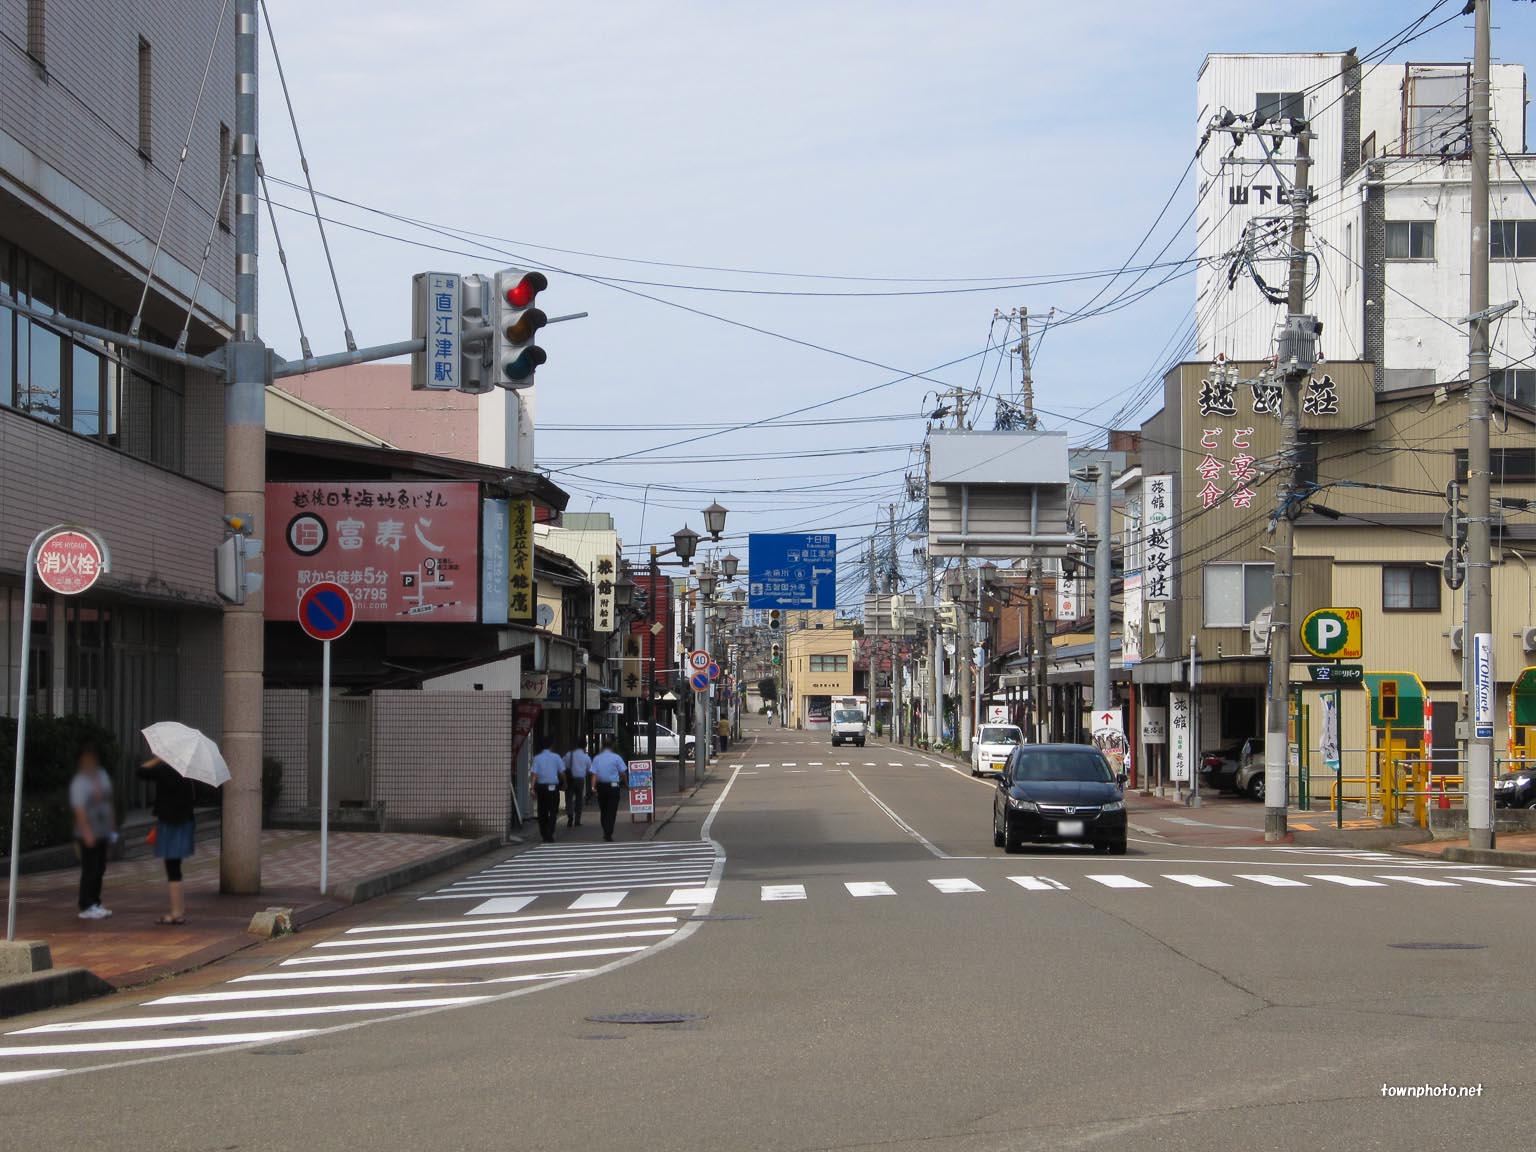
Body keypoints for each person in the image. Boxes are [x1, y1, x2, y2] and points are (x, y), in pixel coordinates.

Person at [137, 756, 197, 925]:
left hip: (170, 824)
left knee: (172, 868)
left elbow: (141, 772)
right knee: (175, 867)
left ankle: (177, 912)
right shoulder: (187, 775)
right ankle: (178, 910)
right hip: (184, 823)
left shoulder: (164, 770)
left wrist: (156, 759)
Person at [69, 741, 116, 921]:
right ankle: (86, 904)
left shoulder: (101, 775)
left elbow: (108, 799)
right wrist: (86, 832)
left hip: (102, 829)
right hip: (87, 831)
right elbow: (79, 809)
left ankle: (95, 902)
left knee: (100, 868)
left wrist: (111, 826)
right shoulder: (80, 781)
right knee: (90, 868)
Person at [590, 739, 628, 842]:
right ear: (612, 747)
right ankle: (608, 832)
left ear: (602, 746)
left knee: (603, 810)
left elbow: (594, 774)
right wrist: (626, 784)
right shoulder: (616, 758)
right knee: (612, 810)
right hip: (613, 787)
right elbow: (623, 773)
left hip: (601, 786)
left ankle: (606, 830)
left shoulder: (597, 758)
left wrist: (593, 787)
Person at [530, 738, 565, 843]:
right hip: (553, 787)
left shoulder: (537, 758)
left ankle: (544, 833)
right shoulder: (556, 757)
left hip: (541, 787)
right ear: (551, 746)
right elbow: (562, 772)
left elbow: (534, 774)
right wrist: (565, 782)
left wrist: (532, 787)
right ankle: (550, 832)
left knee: (542, 811)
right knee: (553, 811)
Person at [563, 741, 591, 828]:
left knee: (569, 798)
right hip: (580, 780)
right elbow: (589, 769)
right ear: (585, 746)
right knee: (579, 799)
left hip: (570, 779)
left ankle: (570, 815)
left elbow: (562, 766)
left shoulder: (568, 755)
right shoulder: (586, 757)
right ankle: (577, 820)